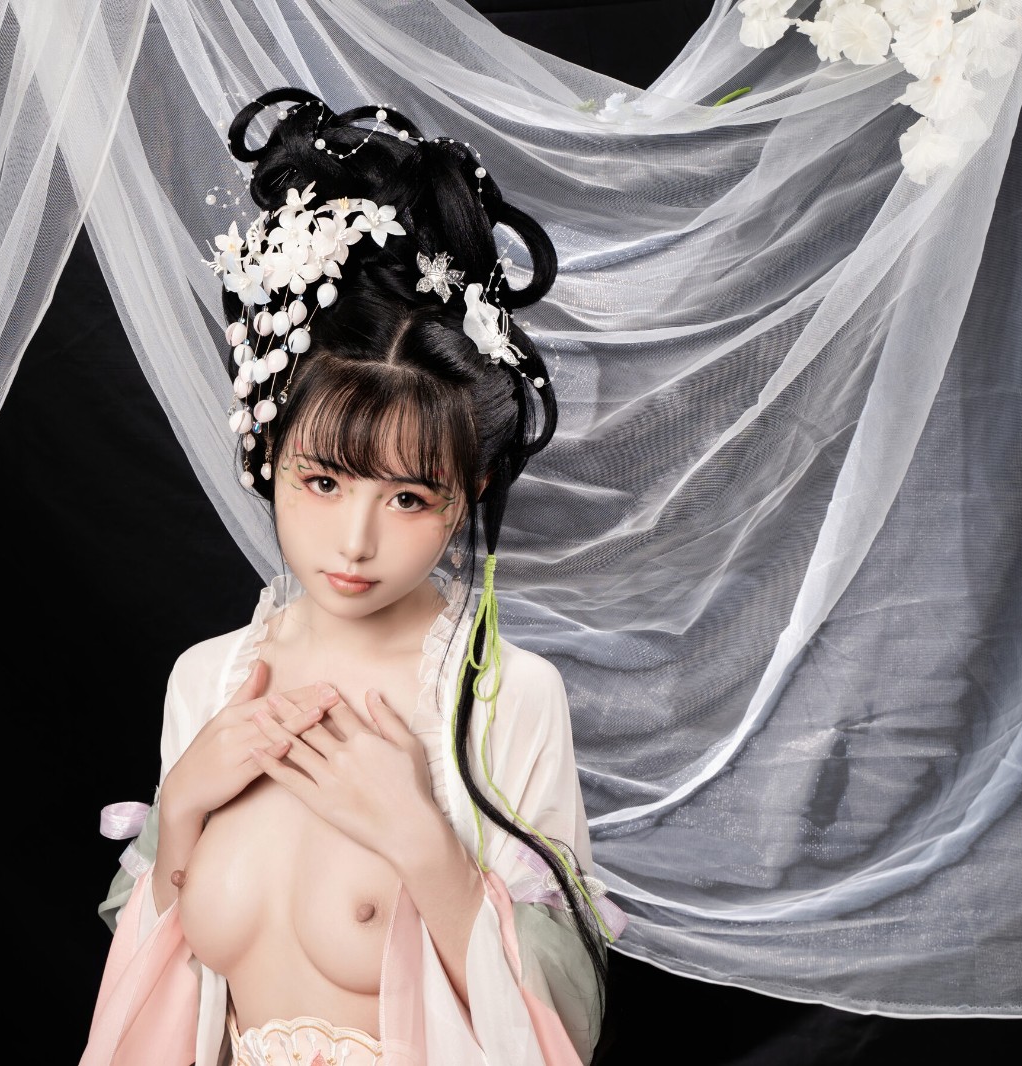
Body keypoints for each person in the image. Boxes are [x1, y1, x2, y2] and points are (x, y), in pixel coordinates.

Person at [81, 87, 622, 1066]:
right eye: (323, 481)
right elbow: (157, 993)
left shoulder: (507, 699)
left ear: (470, 491)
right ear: (267, 451)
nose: (356, 541)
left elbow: (561, 1027)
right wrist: (184, 807)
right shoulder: (207, 681)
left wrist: (421, 838)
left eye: (409, 497)